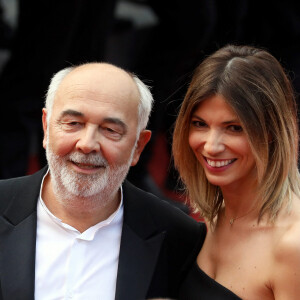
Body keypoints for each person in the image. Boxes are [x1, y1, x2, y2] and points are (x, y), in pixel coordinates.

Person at [0, 63, 204, 300]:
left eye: (109, 129)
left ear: (139, 146)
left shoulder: (177, 236)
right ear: (46, 127)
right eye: (73, 123)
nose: (87, 144)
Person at [172, 44, 300, 299]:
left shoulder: (292, 246)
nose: (211, 145)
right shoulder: (217, 213)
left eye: (234, 128)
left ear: (272, 133)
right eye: (200, 124)